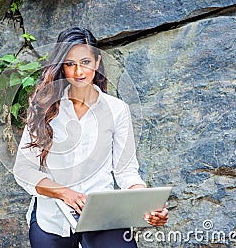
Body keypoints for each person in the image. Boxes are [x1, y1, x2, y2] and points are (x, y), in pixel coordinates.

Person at [13, 27, 168, 248]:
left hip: (103, 216)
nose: (78, 72)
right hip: (52, 219)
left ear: (97, 61)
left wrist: (148, 206)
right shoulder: (43, 108)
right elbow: (24, 170)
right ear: (61, 67)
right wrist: (64, 193)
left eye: (85, 62)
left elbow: (126, 171)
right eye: (69, 64)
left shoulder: (117, 110)